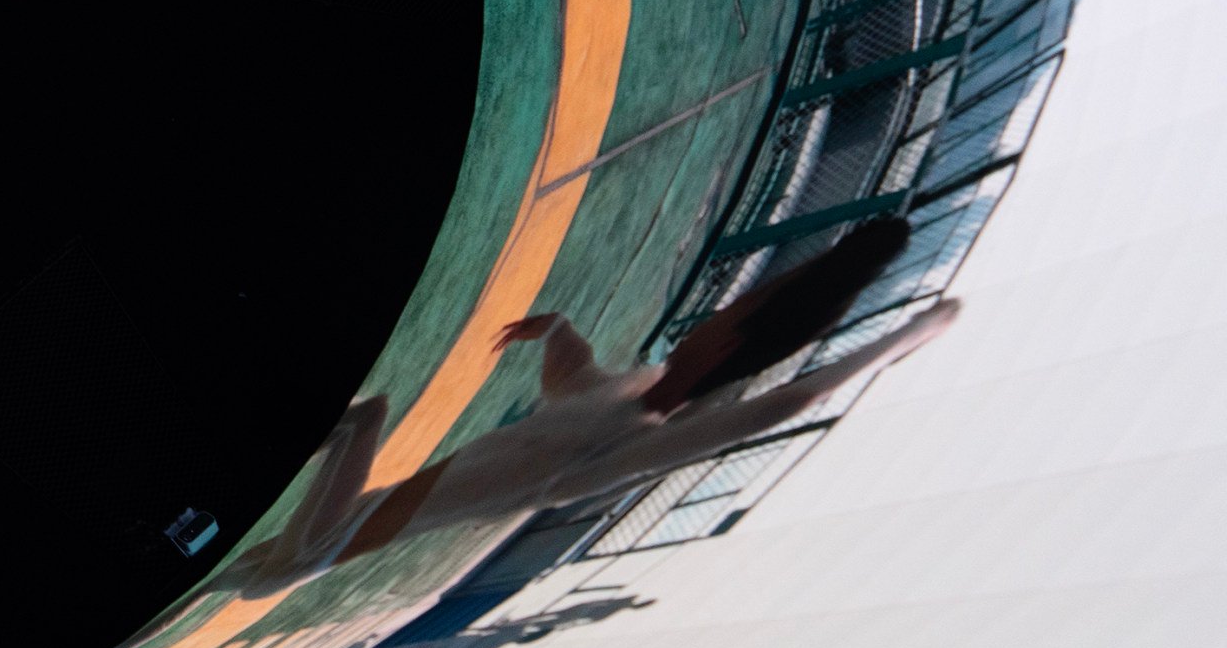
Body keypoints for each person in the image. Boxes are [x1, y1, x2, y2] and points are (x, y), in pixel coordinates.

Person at [226, 221, 956, 597]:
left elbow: (784, 402)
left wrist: (905, 337)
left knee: (365, 413)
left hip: (326, 541)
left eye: (724, 313)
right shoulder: (629, 392)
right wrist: (561, 328)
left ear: (728, 341)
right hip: (325, 533)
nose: (710, 315)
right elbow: (574, 381)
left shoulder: (640, 439)